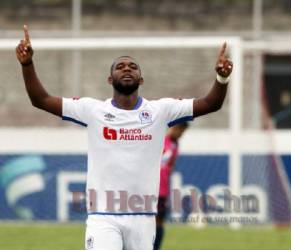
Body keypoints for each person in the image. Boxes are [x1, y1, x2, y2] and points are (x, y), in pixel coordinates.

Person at [16, 25, 233, 250]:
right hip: (103, 215)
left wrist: (221, 78)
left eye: (133, 67)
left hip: (143, 216)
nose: (127, 69)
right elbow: (40, 99)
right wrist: (27, 64)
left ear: (141, 79)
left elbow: (210, 103)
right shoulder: (92, 110)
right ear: (110, 79)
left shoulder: (161, 111)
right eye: (120, 67)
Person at [154, 122, 189, 250]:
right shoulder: (160, 141)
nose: (181, 134)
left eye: (183, 132)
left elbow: (170, 167)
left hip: (162, 190)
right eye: (181, 131)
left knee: (159, 221)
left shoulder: (175, 145)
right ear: (174, 127)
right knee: (147, 221)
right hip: (151, 189)